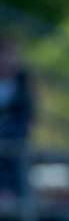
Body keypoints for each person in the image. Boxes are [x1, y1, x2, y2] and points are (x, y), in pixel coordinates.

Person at [0, 36, 34, 195]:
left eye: (13, 54)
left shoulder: (23, 85)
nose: (10, 60)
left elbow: (27, 119)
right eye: (6, 54)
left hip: (13, 145)